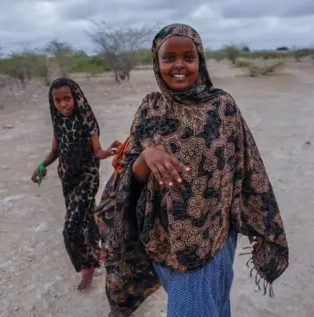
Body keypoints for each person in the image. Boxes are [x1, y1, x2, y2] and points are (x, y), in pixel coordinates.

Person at [95, 24, 289, 317]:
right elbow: (128, 178)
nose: (179, 65)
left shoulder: (222, 106)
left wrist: (260, 223)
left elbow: (248, 166)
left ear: (200, 60)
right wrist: (146, 157)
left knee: (214, 304)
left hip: (215, 239)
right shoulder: (150, 108)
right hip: (164, 241)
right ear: (156, 62)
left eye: (189, 57)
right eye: (169, 57)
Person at [31, 78, 121, 290]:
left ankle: (87, 267)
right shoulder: (59, 122)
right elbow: (55, 151)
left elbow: (97, 152)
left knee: (71, 228)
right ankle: (97, 250)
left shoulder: (87, 120)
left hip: (86, 179)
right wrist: (41, 168)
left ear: (76, 98)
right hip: (68, 180)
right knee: (85, 218)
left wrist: (108, 152)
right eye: (58, 100)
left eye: (67, 99)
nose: (63, 104)